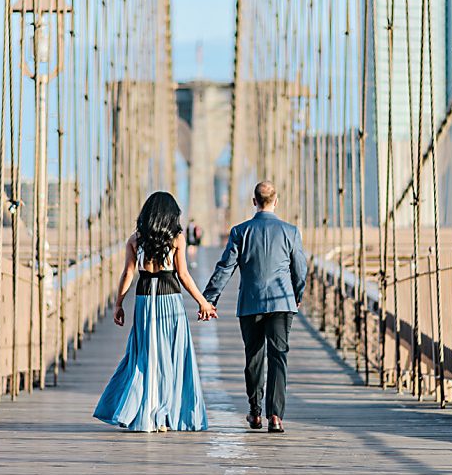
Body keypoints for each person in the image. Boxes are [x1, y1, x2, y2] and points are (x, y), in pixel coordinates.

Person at [94, 191, 216, 432]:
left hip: (144, 300)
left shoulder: (136, 239)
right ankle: (166, 413)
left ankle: (145, 412)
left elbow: (128, 274)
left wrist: (118, 304)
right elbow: (183, 275)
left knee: (144, 356)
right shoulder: (177, 239)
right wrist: (203, 302)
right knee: (171, 357)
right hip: (169, 300)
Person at [201, 181, 307, 433]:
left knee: (254, 358)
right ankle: (276, 417)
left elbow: (225, 267)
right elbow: (300, 268)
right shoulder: (290, 231)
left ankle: (255, 412)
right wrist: (297, 293)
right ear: (276, 200)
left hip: (250, 303)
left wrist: (209, 298)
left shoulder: (240, 231)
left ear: (254, 201)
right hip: (282, 302)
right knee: (278, 357)